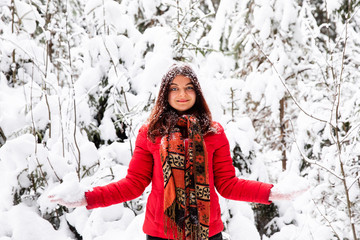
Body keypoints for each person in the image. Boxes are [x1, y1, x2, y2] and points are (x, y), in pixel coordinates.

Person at [49, 64, 306, 240]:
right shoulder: (150, 133)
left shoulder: (213, 133)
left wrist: (271, 192)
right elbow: (133, 184)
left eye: (188, 87)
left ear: (197, 91)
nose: (182, 94)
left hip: (207, 232)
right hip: (160, 233)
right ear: (165, 93)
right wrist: (87, 198)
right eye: (174, 88)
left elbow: (228, 185)